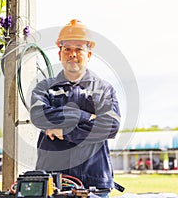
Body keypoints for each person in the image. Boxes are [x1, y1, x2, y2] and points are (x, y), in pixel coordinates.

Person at [30, 19, 121, 195]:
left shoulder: (103, 89)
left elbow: (110, 126)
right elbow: (38, 116)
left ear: (89, 55)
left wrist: (66, 132)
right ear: (60, 54)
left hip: (94, 181)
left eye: (79, 49)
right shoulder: (44, 88)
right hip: (53, 182)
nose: (73, 54)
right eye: (67, 49)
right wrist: (84, 116)